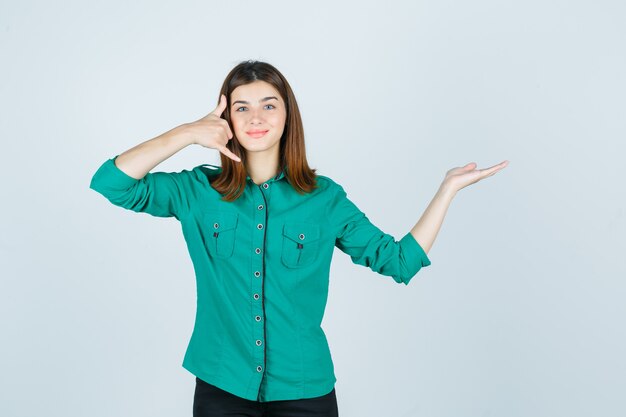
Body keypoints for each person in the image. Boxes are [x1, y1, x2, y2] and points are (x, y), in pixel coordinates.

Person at [89, 59, 508, 417]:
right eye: (242, 107)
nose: (256, 118)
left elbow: (398, 261)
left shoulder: (324, 199)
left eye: (269, 105)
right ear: (225, 120)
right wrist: (186, 133)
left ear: (288, 114)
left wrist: (447, 189)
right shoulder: (198, 191)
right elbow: (111, 183)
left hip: (305, 392)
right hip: (221, 386)